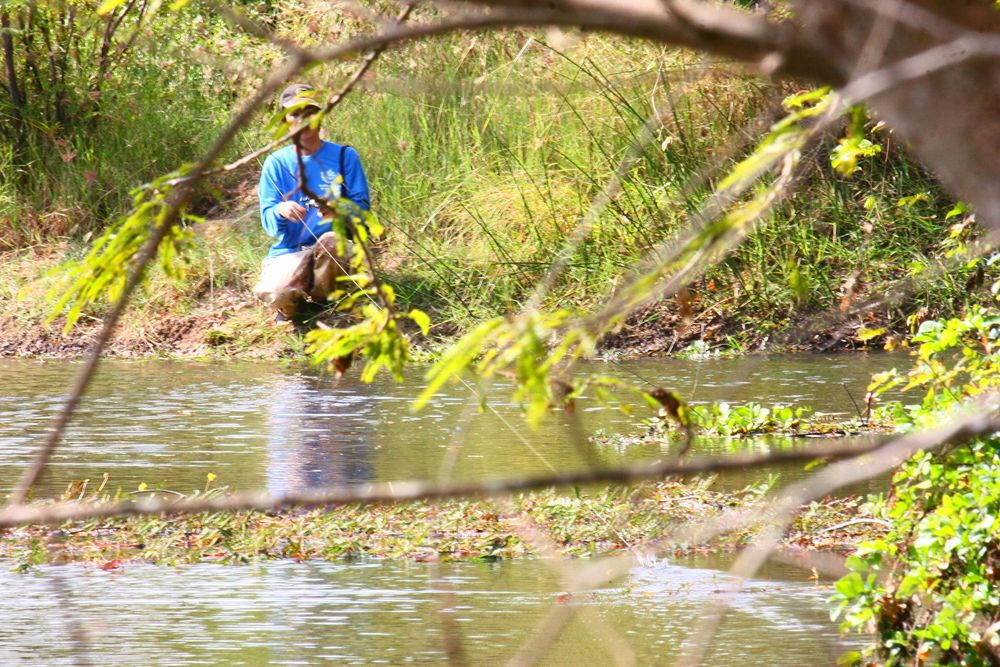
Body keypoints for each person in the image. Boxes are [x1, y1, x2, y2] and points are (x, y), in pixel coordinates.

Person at [254, 83, 372, 321]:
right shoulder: (275, 163)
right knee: (275, 294)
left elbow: (363, 210)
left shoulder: (345, 156)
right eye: (295, 114)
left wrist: (338, 210)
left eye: (310, 113)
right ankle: (291, 306)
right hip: (288, 251)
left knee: (333, 242)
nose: (303, 120)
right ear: (284, 120)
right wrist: (280, 211)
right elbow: (268, 221)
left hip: (331, 247)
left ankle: (323, 300)